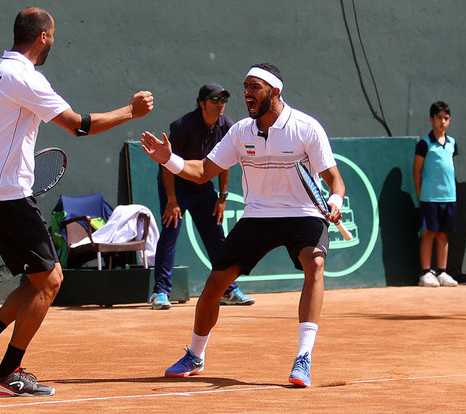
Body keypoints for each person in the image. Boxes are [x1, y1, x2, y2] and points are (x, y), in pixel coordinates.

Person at [0, 7, 153, 397]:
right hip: (9, 196)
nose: (54, 41)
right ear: (42, 36)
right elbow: (79, 125)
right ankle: (7, 374)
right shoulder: (26, 77)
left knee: (36, 280)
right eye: (53, 35)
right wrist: (132, 111)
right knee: (52, 281)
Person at [141, 63, 346, 387]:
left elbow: (335, 181)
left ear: (275, 92)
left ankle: (303, 358)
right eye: (246, 87)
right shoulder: (240, 132)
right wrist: (169, 159)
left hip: (303, 213)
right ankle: (195, 355)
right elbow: (202, 171)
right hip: (258, 215)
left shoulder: (307, 128)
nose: (247, 94)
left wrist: (333, 203)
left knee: (315, 264)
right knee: (214, 286)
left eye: (255, 87)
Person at [150, 82, 255, 310]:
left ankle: (228, 290)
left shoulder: (227, 126)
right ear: (202, 103)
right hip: (176, 189)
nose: (220, 105)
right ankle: (160, 292)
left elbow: (225, 162)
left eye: (223, 100)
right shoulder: (182, 127)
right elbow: (166, 164)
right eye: (215, 100)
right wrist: (171, 200)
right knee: (169, 236)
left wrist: (222, 196)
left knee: (217, 237)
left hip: (204, 189)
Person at [412, 101, 458, 287]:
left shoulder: (453, 143)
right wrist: (421, 193)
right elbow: (416, 170)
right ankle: (426, 273)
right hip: (430, 198)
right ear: (431, 119)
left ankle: (442, 271)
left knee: (443, 235)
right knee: (429, 233)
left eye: (446, 118)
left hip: (450, 197)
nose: (442, 122)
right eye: (439, 118)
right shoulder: (424, 144)